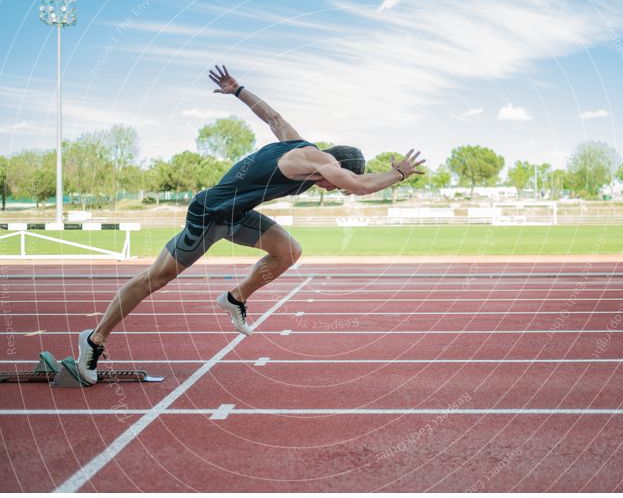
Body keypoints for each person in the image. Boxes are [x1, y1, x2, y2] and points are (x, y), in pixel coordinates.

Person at [75, 65, 425, 385]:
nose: (337, 188)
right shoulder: (321, 161)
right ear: (337, 166)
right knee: (156, 278)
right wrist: (398, 174)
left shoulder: (297, 143)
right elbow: (361, 187)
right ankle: (94, 339)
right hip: (210, 214)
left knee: (289, 251)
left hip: (238, 215)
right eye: (339, 181)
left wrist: (238, 89)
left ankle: (235, 297)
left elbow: (272, 117)